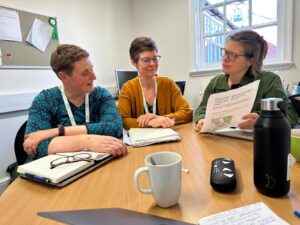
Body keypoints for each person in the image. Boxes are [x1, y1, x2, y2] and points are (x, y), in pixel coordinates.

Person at [23, 44, 127, 161]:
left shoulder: (100, 95)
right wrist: (87, 141)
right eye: (84, 73)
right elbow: (35, 147)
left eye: (92, 69)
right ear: (63, 76)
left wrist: (58, 132)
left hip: (94, 164)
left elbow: (114, 127)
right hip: (57, 169)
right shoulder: (45, 100)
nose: (94, 76)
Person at [194, 30, 298, 132]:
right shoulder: (215, 82)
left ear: (251, 61)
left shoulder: (268, 81)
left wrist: (264, 120)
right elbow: (201, 110)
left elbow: (290, 114)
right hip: (217, 140)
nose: (225, 58)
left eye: (232, 55)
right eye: (225, 52)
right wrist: (201, 120)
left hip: (253, 144)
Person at [117, 37, 193, 130]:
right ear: (134, 61)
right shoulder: (128, 88)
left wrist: (162, 118)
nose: (152, 64)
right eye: (146, 60)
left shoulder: (168, 84)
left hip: (169, 139)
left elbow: (187, 112)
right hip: (142, 142)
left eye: (155, 58)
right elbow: (122, 120)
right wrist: (151, 122)